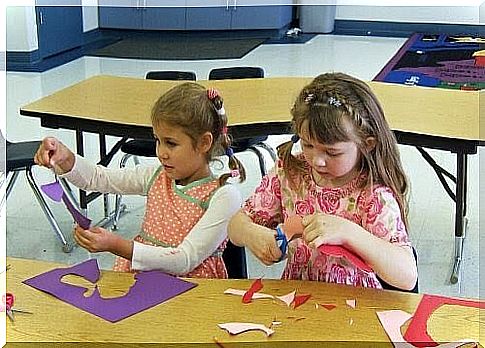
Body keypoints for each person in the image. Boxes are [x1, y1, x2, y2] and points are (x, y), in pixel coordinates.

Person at [228, 72, 418, 290]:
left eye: (332, 152)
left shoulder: (373, 195)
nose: (317, 161)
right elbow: (235, 226)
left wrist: (349, 233)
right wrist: (252, 234)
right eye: (308, 145)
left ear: (367, 144)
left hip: (355, 304)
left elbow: (407, 276)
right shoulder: (290, 173)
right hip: (298, 300)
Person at [35, 82, 245, 278]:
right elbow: (99, 179)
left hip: (193, 293)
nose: (161, 153)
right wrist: (65, 157)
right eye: (158, 141)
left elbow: (184, 260)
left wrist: (115, 244)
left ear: (204, 143)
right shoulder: (156, 176)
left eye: (171, 143)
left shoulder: (223, 196)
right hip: (140, 283)